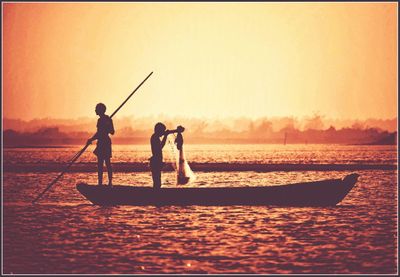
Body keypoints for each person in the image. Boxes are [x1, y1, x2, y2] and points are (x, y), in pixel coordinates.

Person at [87, 103, 115, 186]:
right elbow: (98, 133)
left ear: (100, 110)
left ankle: (110, 182)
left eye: (96, 109)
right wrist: (91, 139)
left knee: (107, 163)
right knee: (99, 164)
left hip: (105, 142)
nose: (95, 110)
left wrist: (107, 126)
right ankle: (100, 183)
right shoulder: (99, 120)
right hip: (100, 142)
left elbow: (112, 132)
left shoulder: (108, 119)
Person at [150, 122, 174, 189]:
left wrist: (174, 131)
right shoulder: (154, 137)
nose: (163, 133)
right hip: (155, 161)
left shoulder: (155, 137)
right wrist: (166, 135)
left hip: (156, 161)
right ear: (158, 130)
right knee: (157, 181)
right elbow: (160, 147)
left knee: (157, 181)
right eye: (162, 131)